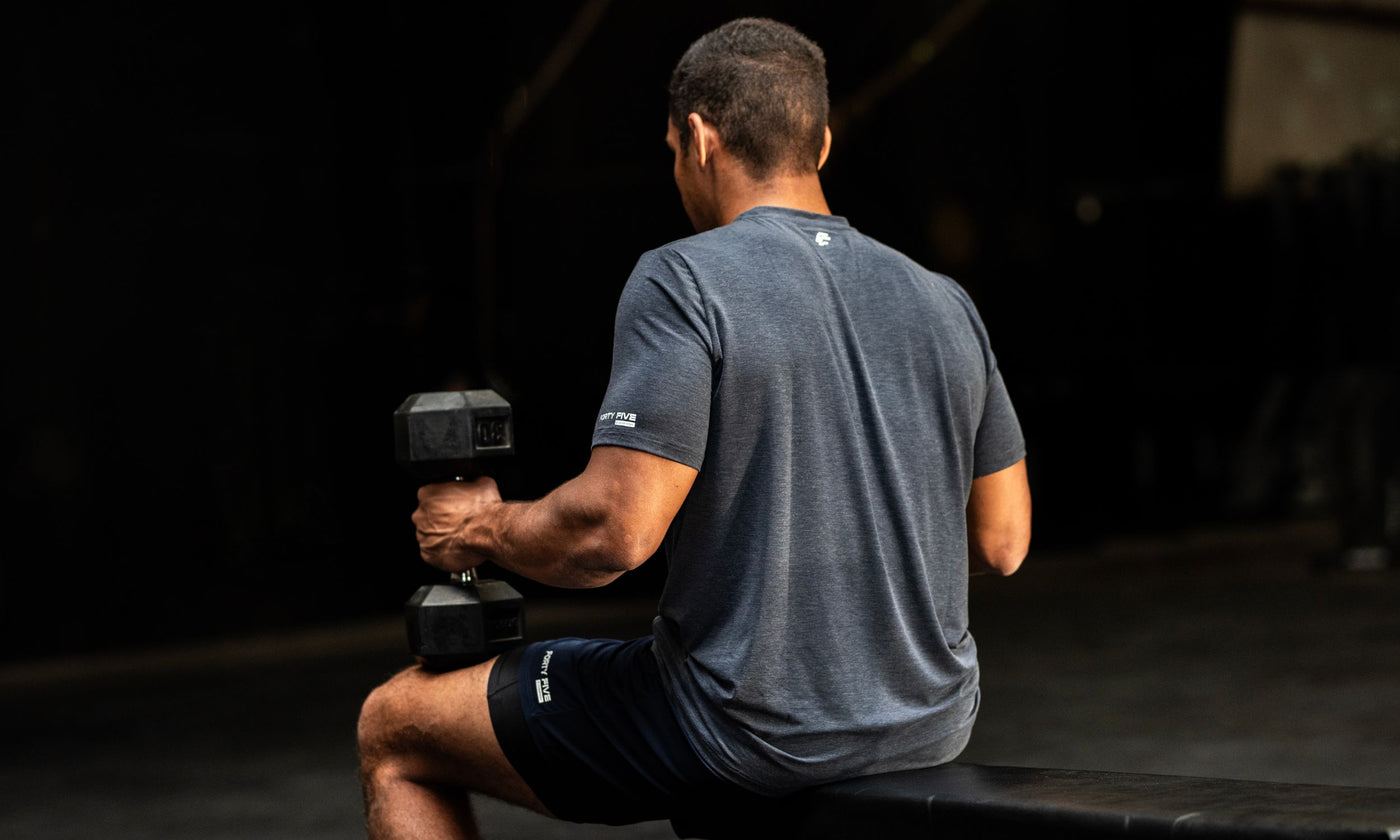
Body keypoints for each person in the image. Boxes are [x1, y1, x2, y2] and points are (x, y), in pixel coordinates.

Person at [357, 16, 1031, 839]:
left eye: (674, 149)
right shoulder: (942, 299)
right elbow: (1002, 540)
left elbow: (614, 534)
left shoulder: (684, 278)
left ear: (700, 138)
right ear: (819, 145)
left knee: (394, 726)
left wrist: (483, 527)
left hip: (740, 731)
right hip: (930, 722)